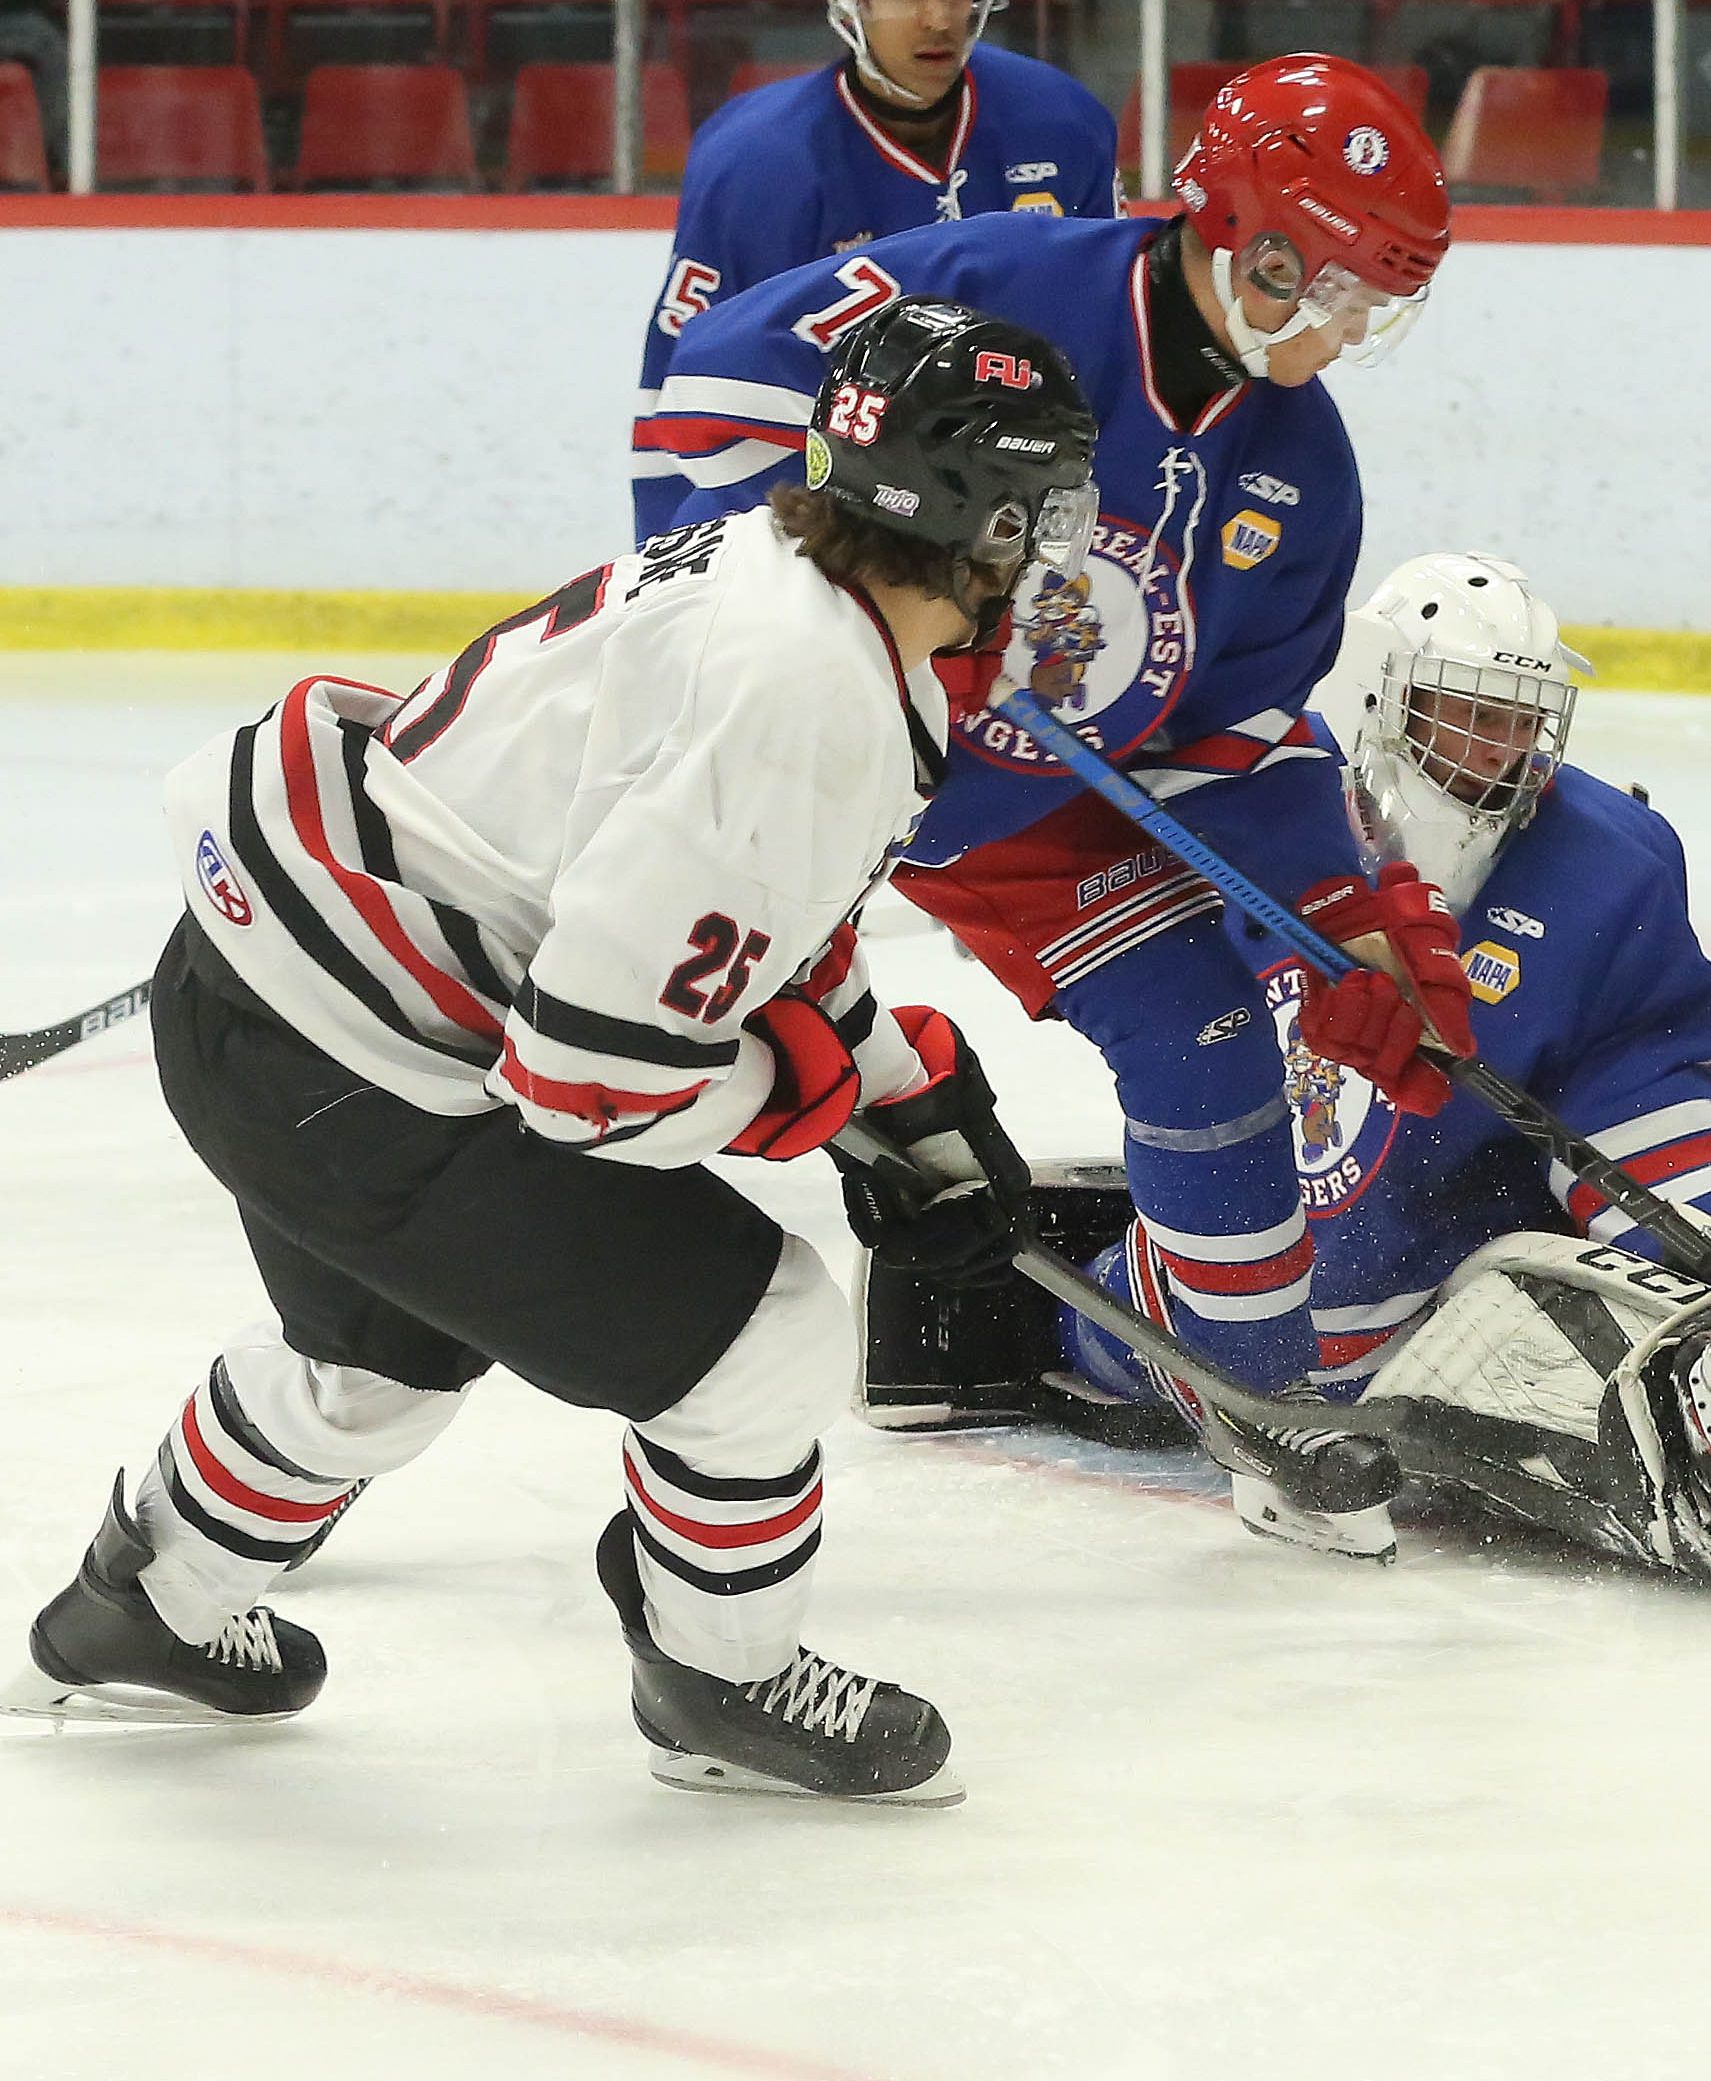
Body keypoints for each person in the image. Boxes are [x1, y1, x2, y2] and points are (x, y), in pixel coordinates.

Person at [9, 302, 1103, 1807]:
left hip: (261, 994)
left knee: (378, 1364)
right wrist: (804, 1102)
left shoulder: (780, 571)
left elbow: (734, 908)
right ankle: (720, 1676)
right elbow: (589, 1086)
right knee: (760, 1336)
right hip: (360, 1059)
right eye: (1048, 511)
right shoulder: (808, 693)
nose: (1059, 547)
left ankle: (145, 1602)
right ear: (980, 515)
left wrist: (895, 1085)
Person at [650, 60, 1489, 1536]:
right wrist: (796, 635)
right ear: (1245, 231)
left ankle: (1261, 1414)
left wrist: (1342, 920)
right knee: (614, 1049)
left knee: (1211, 1038)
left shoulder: (1303, 473)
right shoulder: (1002, 285)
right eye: (1332, 287)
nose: (1348, 331)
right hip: (824, 747)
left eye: (1379, 306)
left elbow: (1225, 742)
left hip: (1017, 810)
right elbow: (713, 386)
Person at [860, 552, 1711, 1606]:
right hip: (1297, 1255)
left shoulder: (1607, 856)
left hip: (1491, 1226)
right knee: (1280, 1302)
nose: (1499, 749)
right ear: (1384, 695)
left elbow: (1647, 1075)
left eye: (1521, 720)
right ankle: (1055, 1318)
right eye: (1470, 713)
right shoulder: (1254, 824)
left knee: (1643, 1295)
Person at [632, 0, 1121, 537]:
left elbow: (1112, 339)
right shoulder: (757, 164)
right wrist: (670, 558)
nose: (938, 16)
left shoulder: (1062, 124)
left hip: (1023, 515)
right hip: (834, 516)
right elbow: (679, 389)